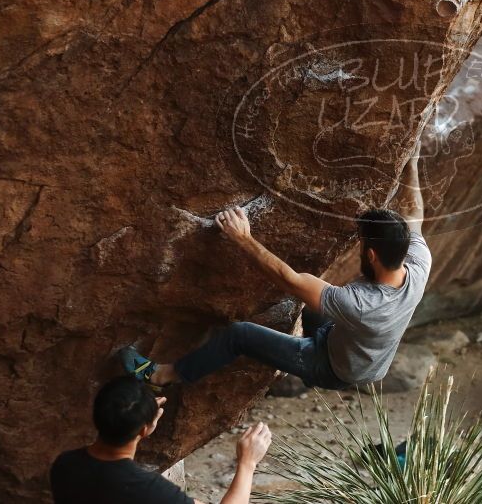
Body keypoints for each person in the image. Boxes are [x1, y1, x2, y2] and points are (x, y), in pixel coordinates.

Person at [119, 152, 431, 390]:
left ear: (371, 255)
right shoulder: (418, 263)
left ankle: (165, 375)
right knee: (311, 312)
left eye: (362, 243)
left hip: (335, 368)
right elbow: (414, 213)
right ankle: (305, 350)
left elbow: (288, 279)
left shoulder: (359, 304)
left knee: (239, 335)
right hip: (368, 358)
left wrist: (243, 238)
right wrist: (412, 163)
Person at [50, 376, 272, 504]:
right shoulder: (148, 490)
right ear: (146, 430)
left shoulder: (65, 465)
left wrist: (137, 418)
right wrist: (247, 463)